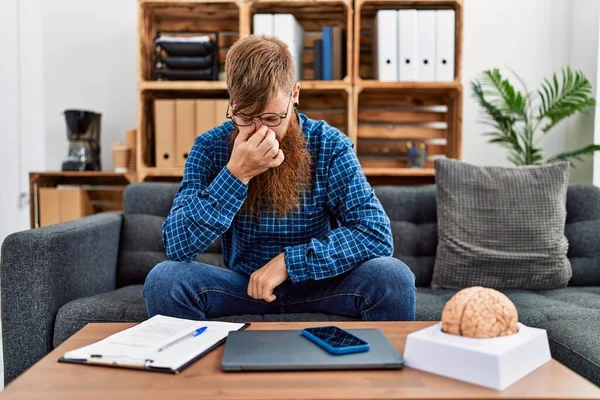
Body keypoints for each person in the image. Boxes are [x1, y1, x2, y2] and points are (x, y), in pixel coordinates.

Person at [143, 35, 416, 321]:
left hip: (321, 285)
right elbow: (177, 246)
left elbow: (375, 234)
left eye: (272, 118)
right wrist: (236, 175)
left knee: (392, 276)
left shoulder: (330, 145)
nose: (261, 133)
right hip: (242, 287)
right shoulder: (210, 147)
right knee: (165, 280)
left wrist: (288, 263)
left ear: (294, 95)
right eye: (245, 117)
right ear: (231, 102)